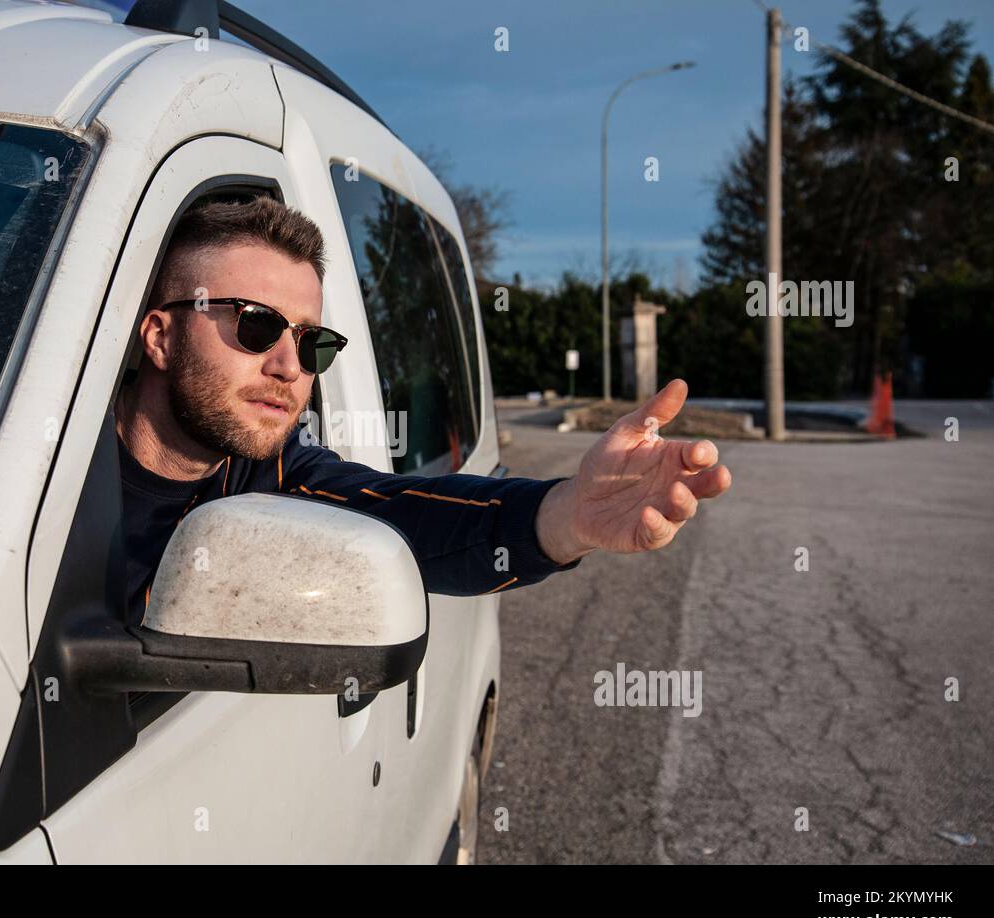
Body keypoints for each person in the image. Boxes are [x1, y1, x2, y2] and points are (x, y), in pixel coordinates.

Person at [111, 196, 731, 624]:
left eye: (310, 341)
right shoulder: (33, 460)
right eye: (255, 325)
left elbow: (406, 518)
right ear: (160, 336)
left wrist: (571, 513)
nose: (289, 366)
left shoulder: (271, 480)